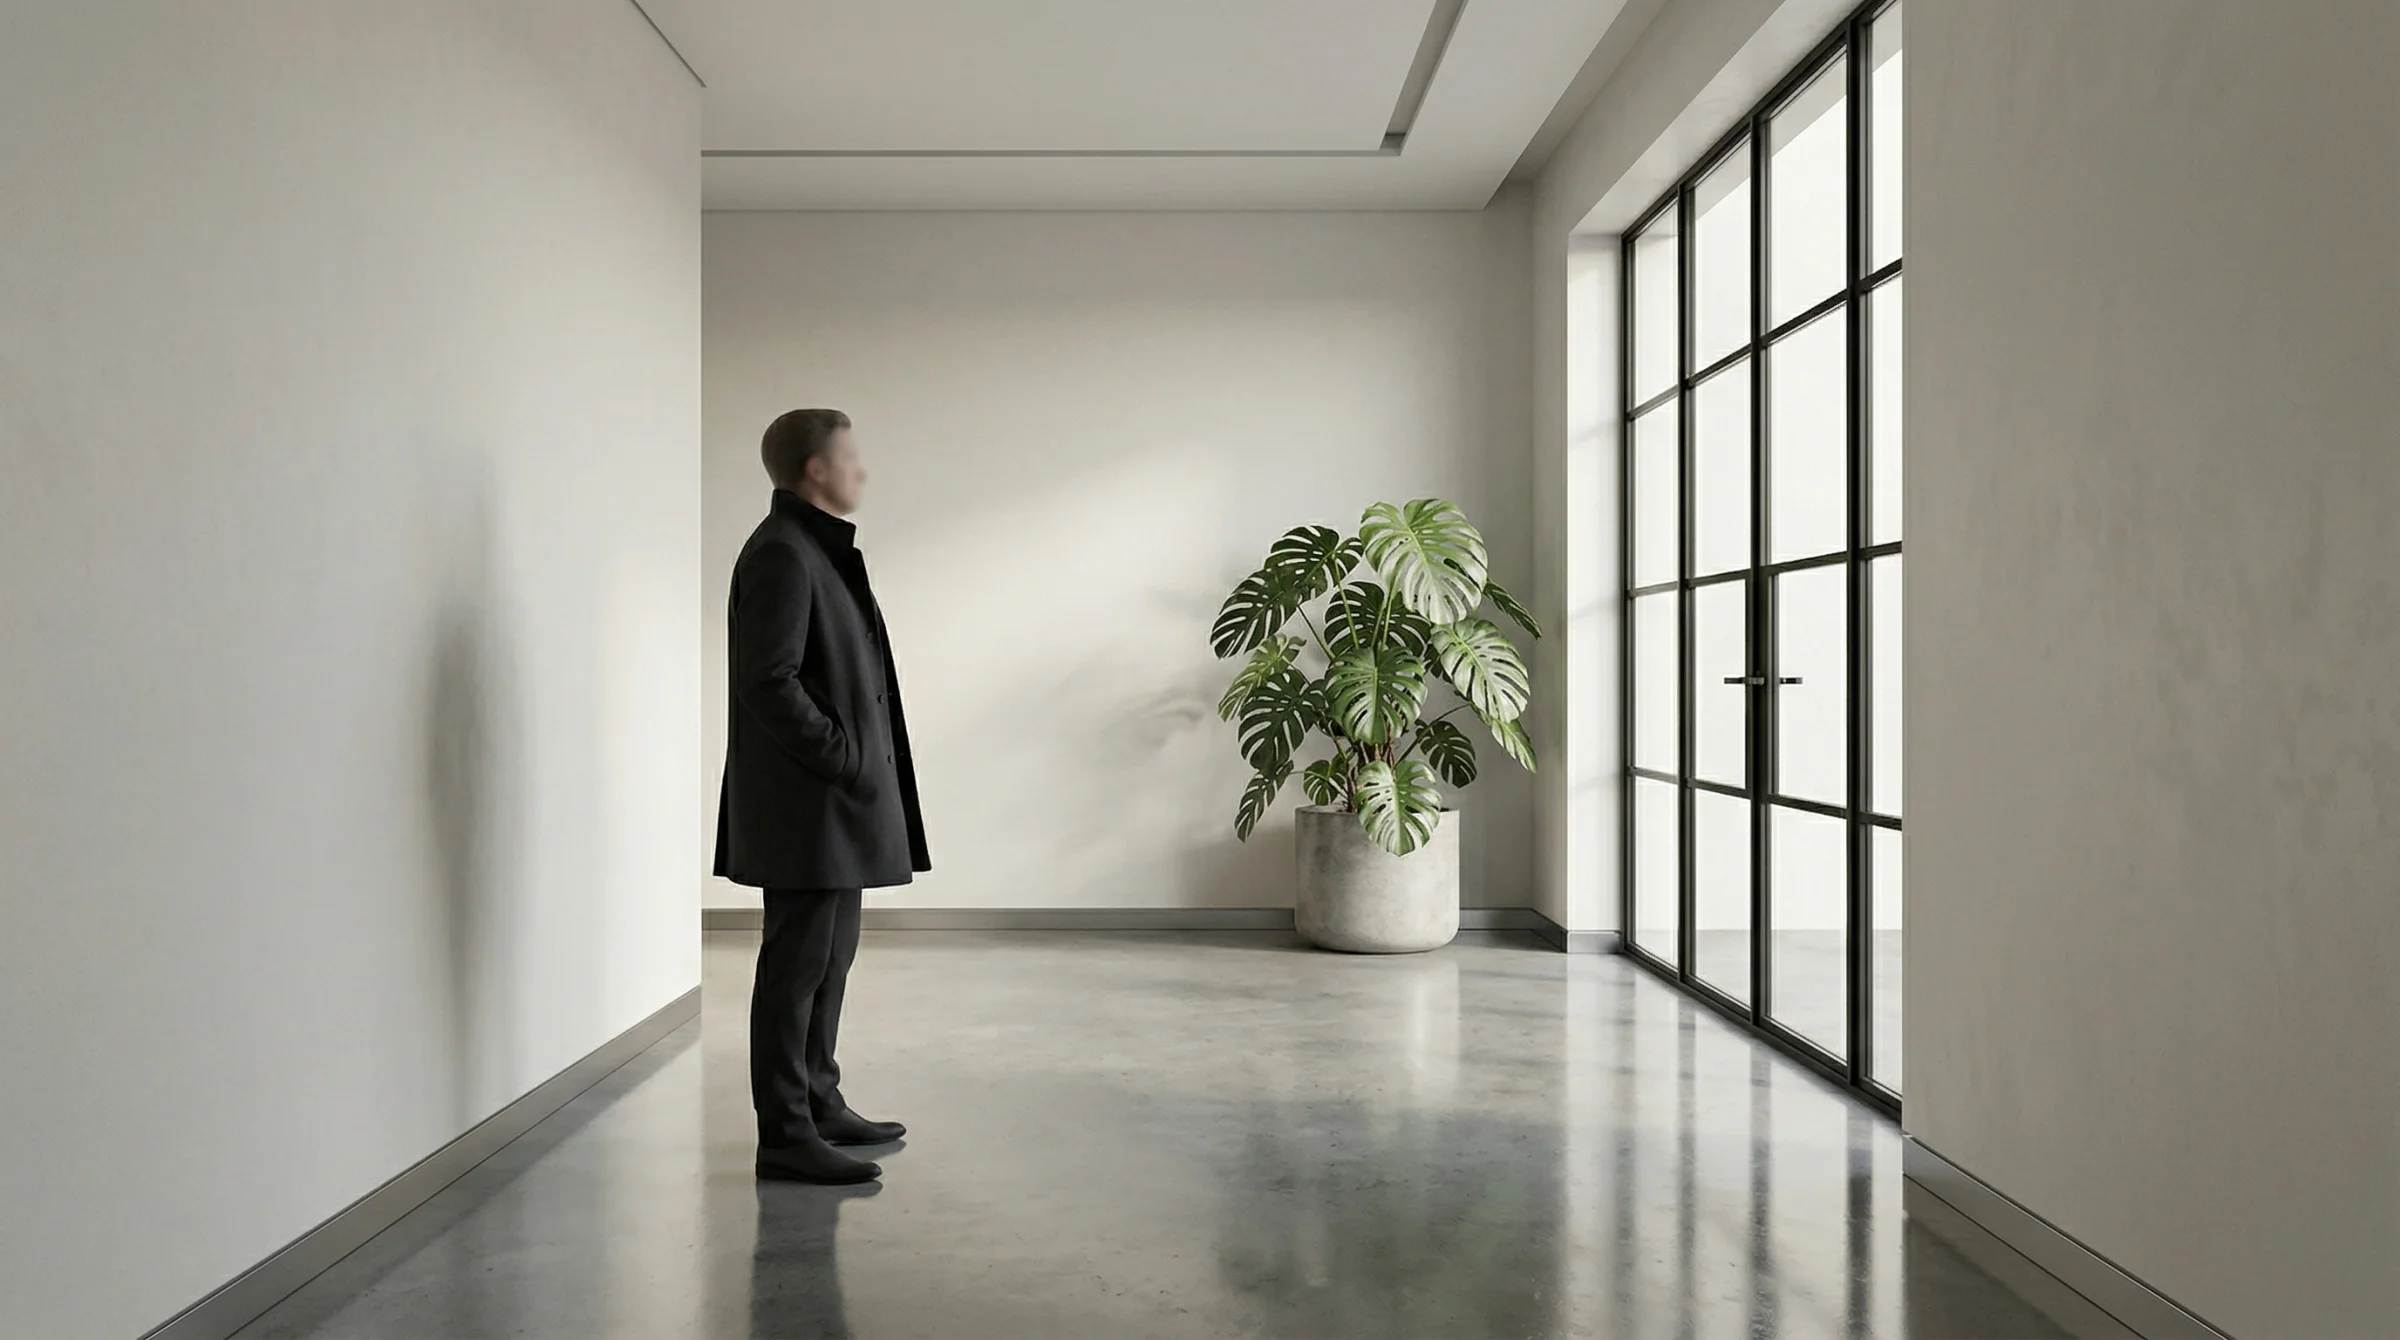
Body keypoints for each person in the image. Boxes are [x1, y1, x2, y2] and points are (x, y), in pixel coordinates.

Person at [715, 407, 930, 1185]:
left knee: (830, 957)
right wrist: (840, 756)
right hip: (808, 805)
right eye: (850, 456)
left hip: (832, 807)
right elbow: (767, 680)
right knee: (795, 967)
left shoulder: (815, 549)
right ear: (815, 470)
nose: (860, 470)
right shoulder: (782, 554)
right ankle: (784, 1134)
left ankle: (820, 1099)